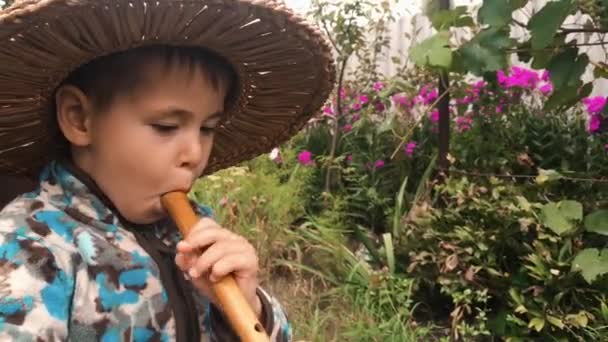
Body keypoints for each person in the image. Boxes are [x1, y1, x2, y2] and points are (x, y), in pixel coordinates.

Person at [0, 0, 335, 340]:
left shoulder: (191, 234)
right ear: (78, 117)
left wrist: (247, 304)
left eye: (207, 129)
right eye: (166, 126)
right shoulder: (31, 248)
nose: (194, 153)